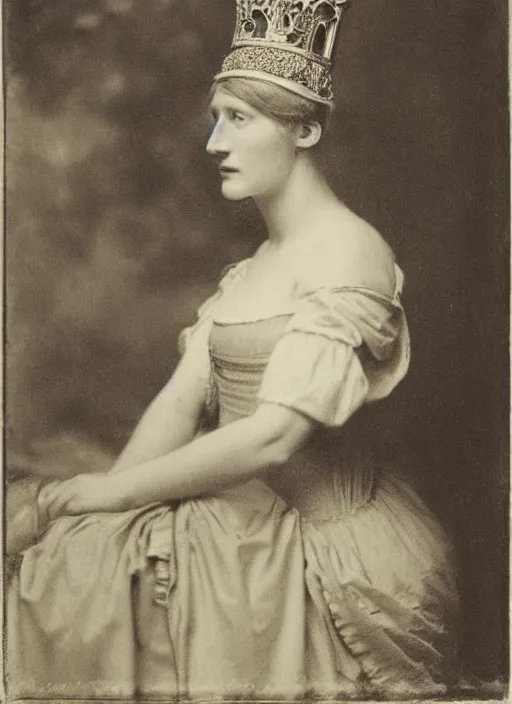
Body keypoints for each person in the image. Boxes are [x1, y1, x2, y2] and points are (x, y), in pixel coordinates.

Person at [7, 0, 460, 699]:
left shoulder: (351, 254)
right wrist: (107, 510)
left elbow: (274, 438)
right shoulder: (254, 265)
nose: (215, 142)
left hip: (323, 548)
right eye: (216, 117)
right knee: (74, 559)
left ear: (305, 129)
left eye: (239, 120)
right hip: (237, 521)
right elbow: (184, 396)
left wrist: (112, 489)